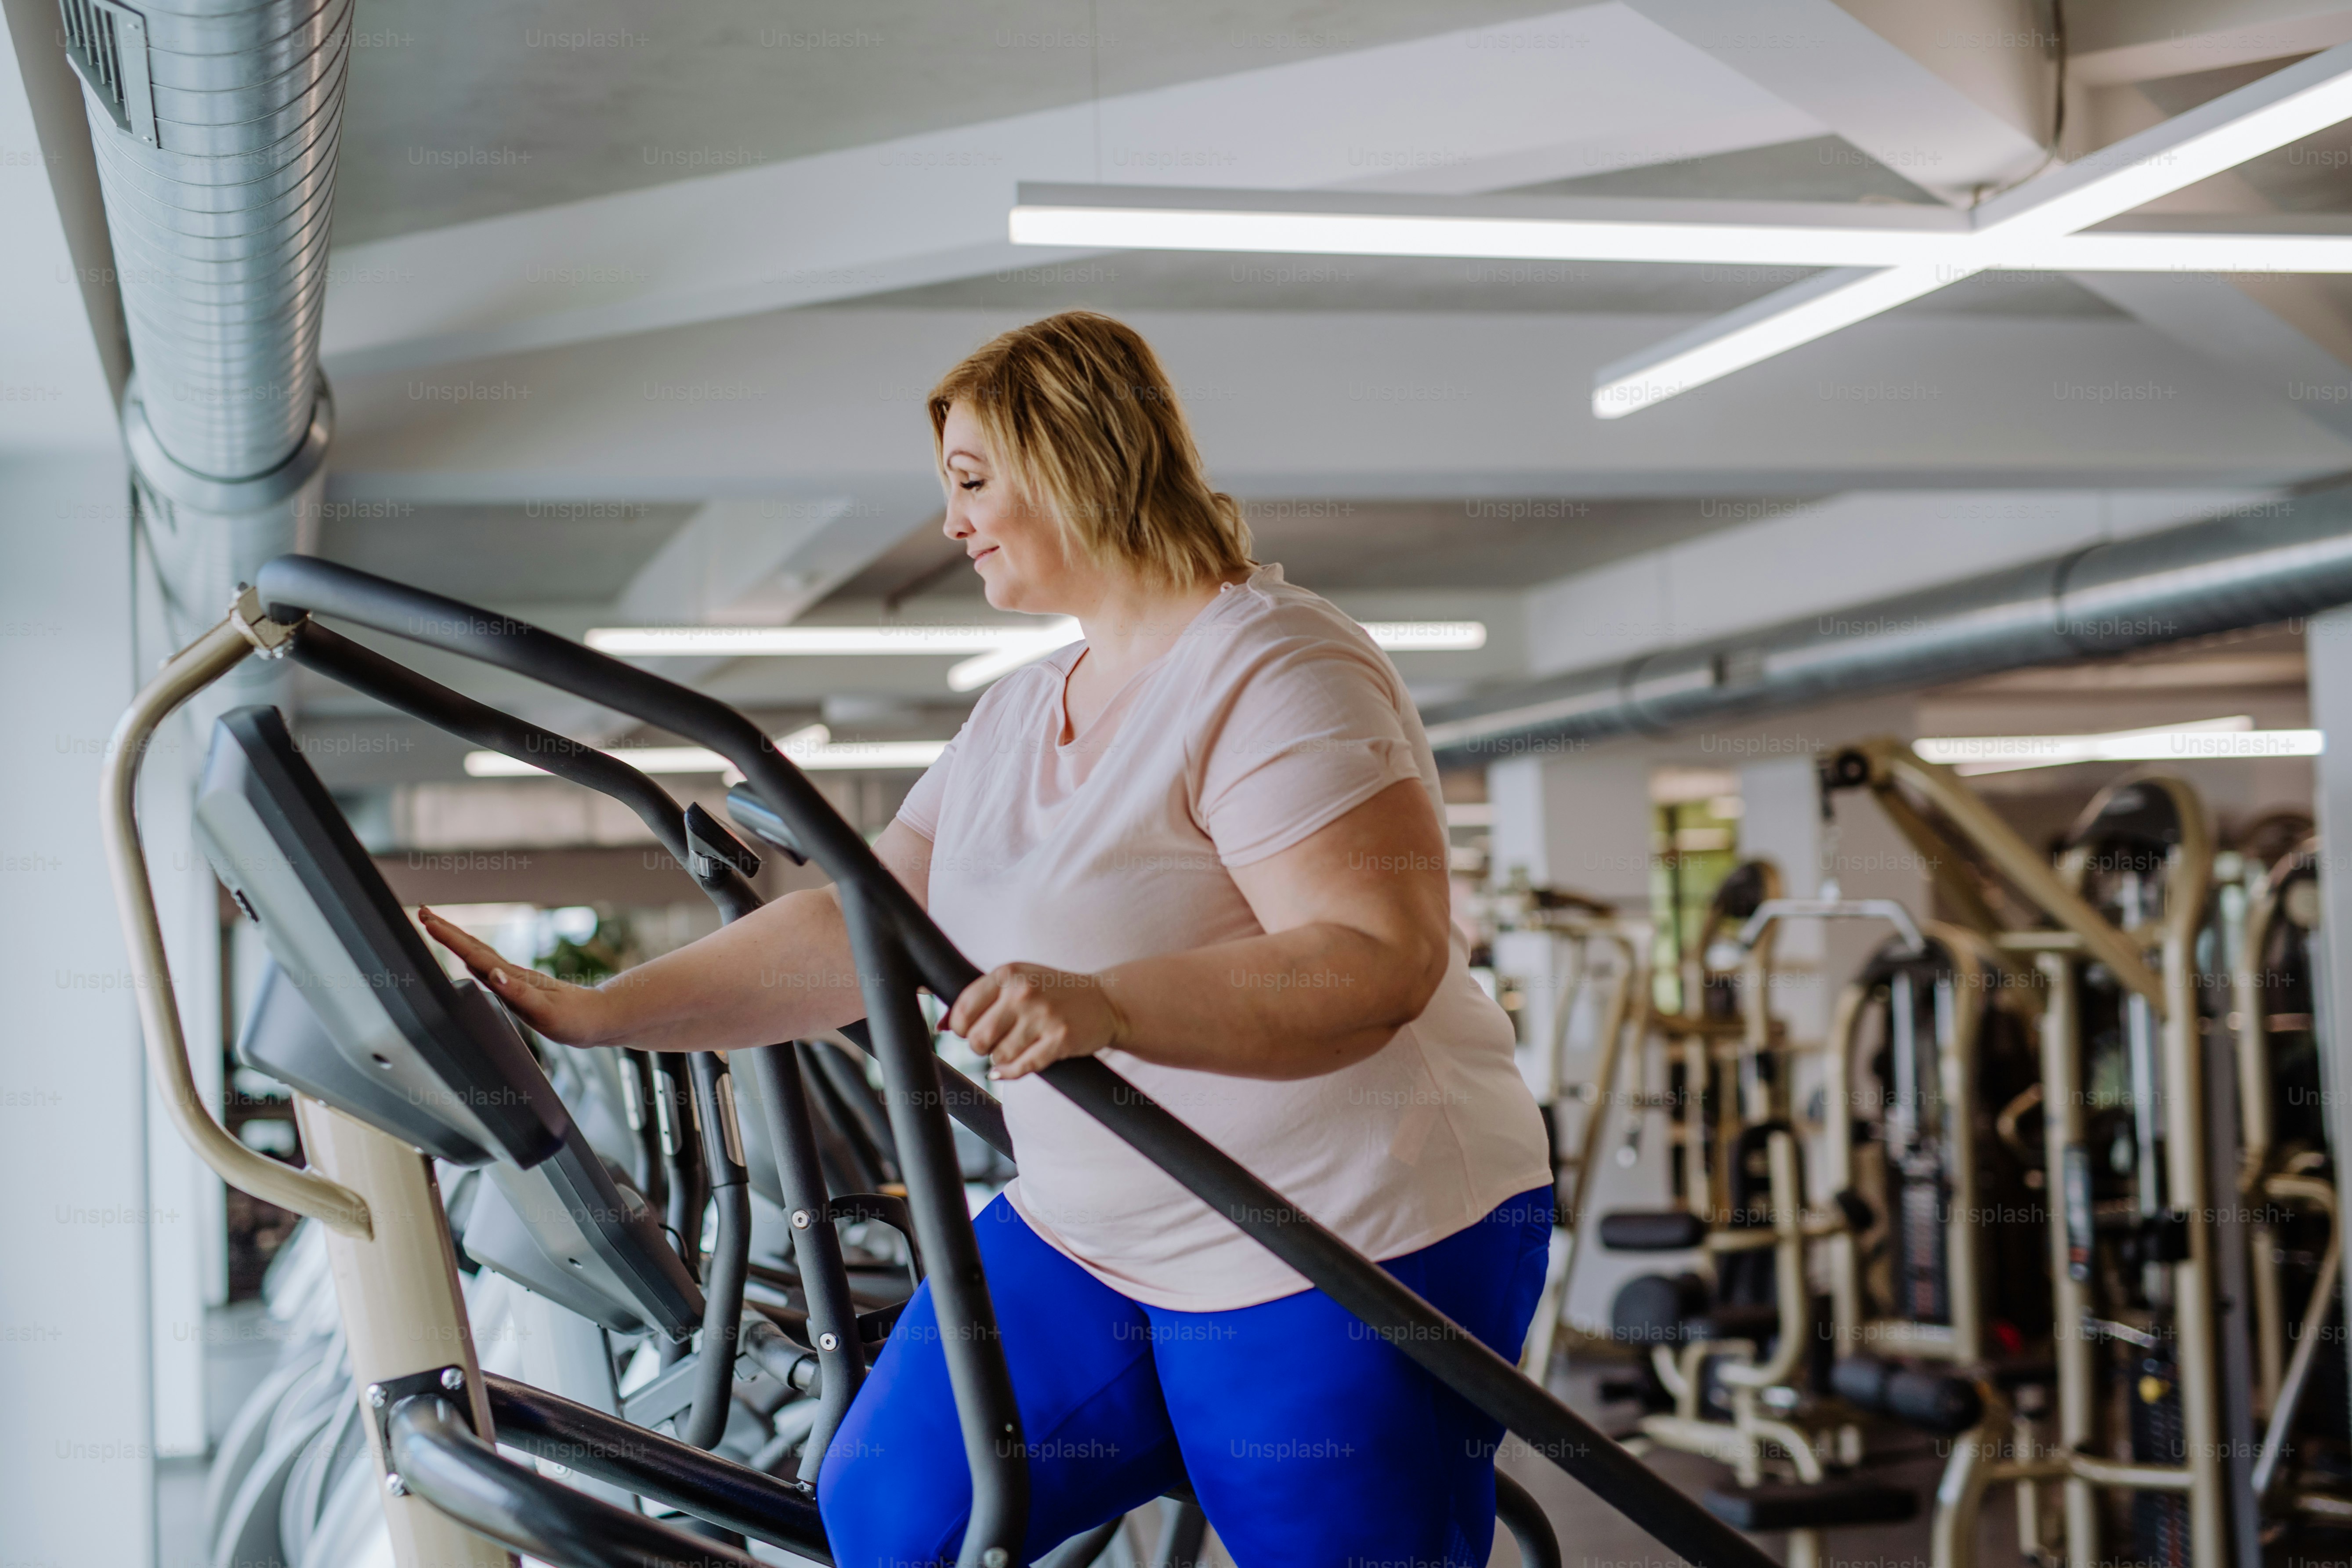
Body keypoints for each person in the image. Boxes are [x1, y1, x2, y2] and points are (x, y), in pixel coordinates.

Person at [424, 310, 1553, 1567]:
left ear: (1079, 455)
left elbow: (1369, 953)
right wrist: (590, 1007)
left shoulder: (1276, 668)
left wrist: (1108, 1003)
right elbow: (861, 929)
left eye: (971, 483)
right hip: (1096, 1231)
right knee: (893, 1514)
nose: (952, 523)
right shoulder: (1019, 710)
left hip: (1338, 1234)